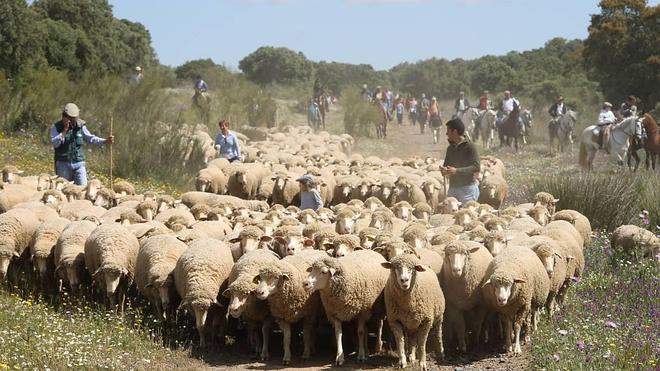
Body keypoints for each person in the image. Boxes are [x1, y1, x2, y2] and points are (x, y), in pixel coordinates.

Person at [50, 103, 113, 186]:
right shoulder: (56, 127)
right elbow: (55, 144)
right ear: (64, 117)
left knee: (82, 188)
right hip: (63, 164)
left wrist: (105, 141)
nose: (73, 121)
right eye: (71, 119)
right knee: (63, 188)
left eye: (74, 119)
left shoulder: (81, 126)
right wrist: (65, 130)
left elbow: (91, 138)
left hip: (79, 163)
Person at [440, 118, 480, 203]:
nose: (446, 133)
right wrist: (444, 170)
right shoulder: (450, 148)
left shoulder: (470, 147)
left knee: (467, 214)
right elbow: (446, 164)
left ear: (454, 132)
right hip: (453, 188)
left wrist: (456, 171)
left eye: (448, 131)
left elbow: (476, 167)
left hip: (467, 190)